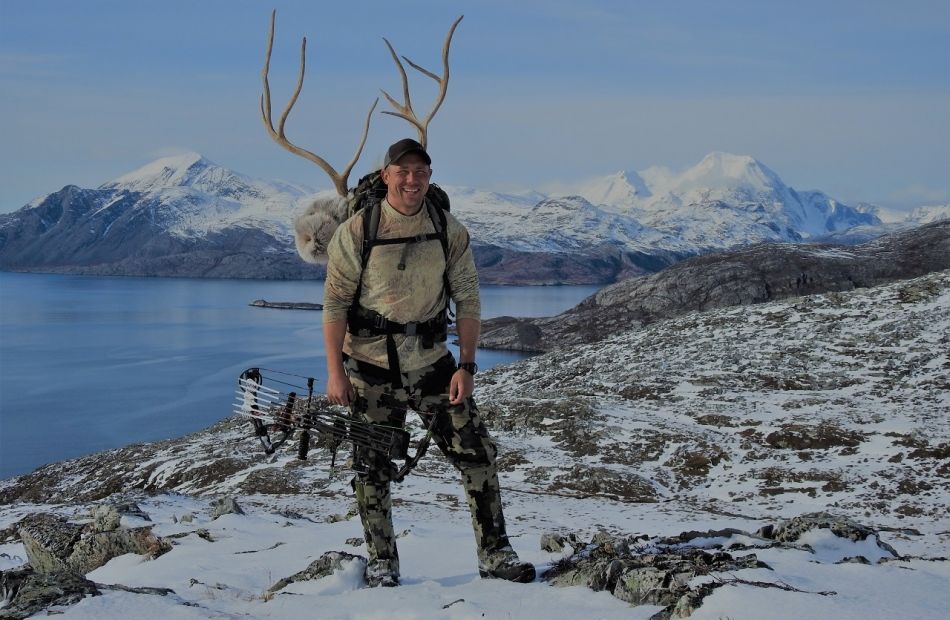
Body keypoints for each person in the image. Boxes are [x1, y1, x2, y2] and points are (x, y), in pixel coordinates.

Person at [322, 138, 535, 587]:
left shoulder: (447, 229)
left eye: (421, 171)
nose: (412, 179)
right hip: (369, 365)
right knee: (371, 467)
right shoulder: (358, 230)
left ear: (430, 177)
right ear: (386, 176)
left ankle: (495, 555)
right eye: (403, 171)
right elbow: (335, 304)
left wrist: (468, 366)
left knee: (477, 454)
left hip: (434, 363)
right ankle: (383, 563)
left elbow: (469, 298)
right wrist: (335, 372)